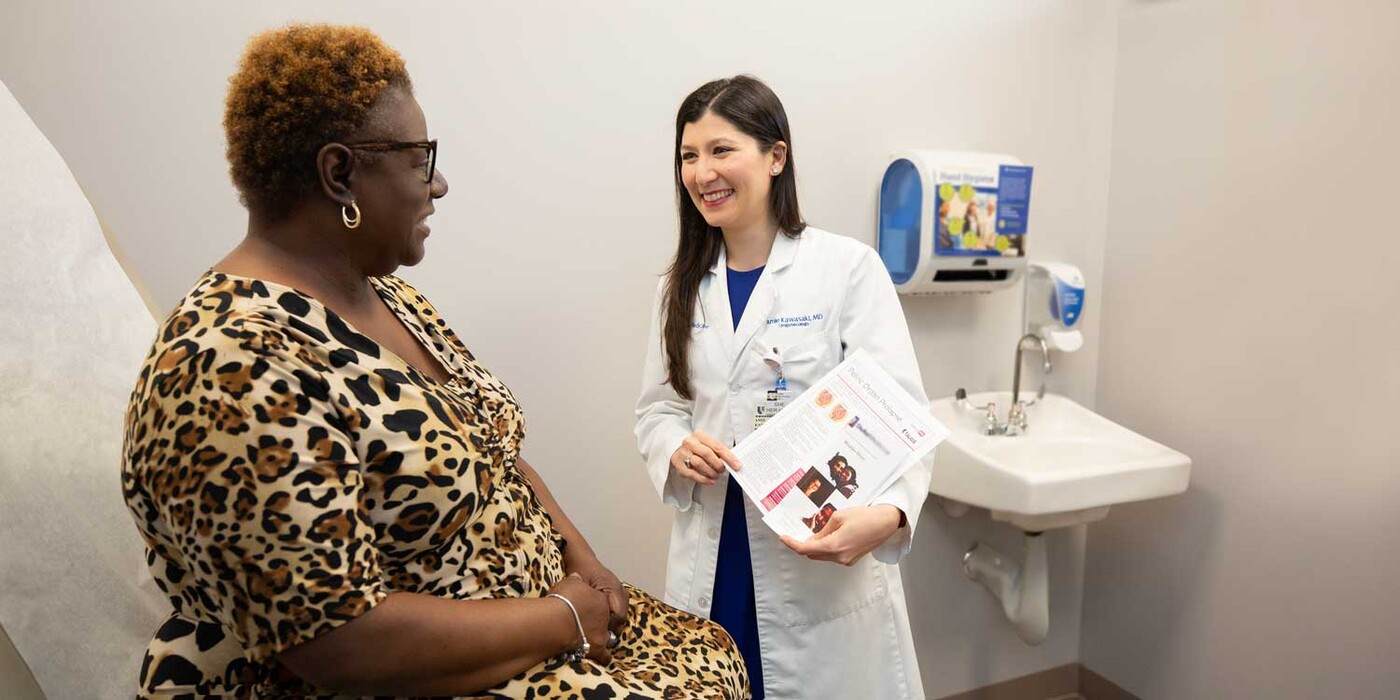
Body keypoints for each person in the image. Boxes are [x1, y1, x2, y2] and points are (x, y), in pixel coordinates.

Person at [120, 24, 746, 699]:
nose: (439, 183)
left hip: (539, 624)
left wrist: (583, 563)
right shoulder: (230, 363)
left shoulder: (386, 292)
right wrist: (564, 616)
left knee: (714, 652)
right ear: (340, 174)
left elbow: (493, 449)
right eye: (421, 159)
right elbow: (339, 644)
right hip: (404, 678)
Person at [635, 75, 933, 699]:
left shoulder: (846, 269)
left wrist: (888, 515)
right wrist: (675, 447)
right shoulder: (682, 285)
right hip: (716, 560)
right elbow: (661, 407)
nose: (701, 172)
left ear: (776, 157)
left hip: (817, 554)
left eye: (721, 150)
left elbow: (901, 414)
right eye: (688, 156)